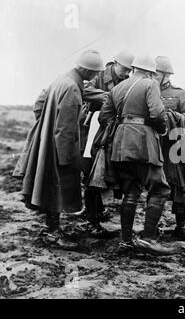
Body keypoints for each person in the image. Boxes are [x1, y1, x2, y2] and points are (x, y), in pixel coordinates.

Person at [13, 50, 105, 249]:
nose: (96, 76)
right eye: (95, 72)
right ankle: (53, 231)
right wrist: (66, 158)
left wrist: (45, 126)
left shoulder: (62, 80)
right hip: (59, 147)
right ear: (87, 71)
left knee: (48, 186)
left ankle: (52, 228)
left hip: (49, 141)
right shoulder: (72, 88)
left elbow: (39, 105)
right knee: (56, 188)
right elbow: (65, 128)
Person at [98, 53, 176, 255]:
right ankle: (148, 239)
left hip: (120, 145)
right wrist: (160, 130)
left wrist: (123, 128)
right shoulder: (150, 84)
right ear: (151, 72)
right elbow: (158, 114)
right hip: (143, 142)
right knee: (159, 189)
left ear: (133, 68)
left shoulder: (117, 87)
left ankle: (125, 241)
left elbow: (104, 117)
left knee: (130, 191)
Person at [78, 50, 135, 237]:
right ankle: (91, 218)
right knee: (91, 172)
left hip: (112, 131)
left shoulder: (126, 80)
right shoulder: (100, 75)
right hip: (93, 129)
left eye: (129, 71)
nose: (127, 74)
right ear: (115, 63)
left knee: (105, 171)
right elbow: (84, 90)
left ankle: (98, 209)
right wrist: (109, 96)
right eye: (125, 69)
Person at [154, 56, 185, 243]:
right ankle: (152, 227)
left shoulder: (179, 94)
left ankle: (180, 227)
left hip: (177, 146)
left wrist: (174, 117)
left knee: (181, 187)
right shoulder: (147, 91)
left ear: (166, 75)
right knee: (155, 187)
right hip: (156, 146)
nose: (153, 77)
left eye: (156, 73)